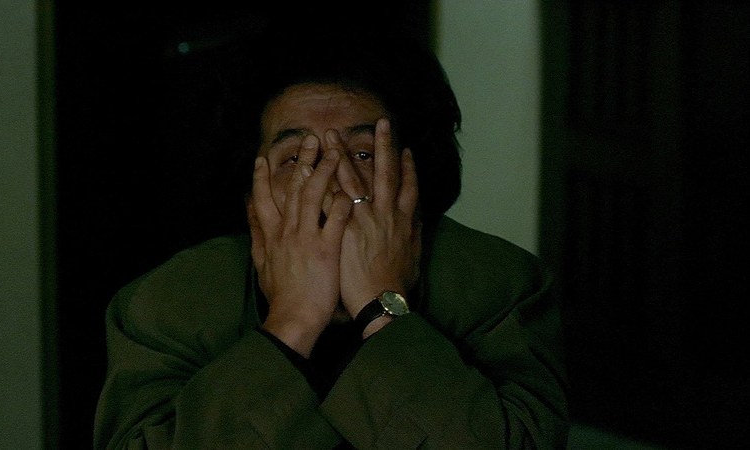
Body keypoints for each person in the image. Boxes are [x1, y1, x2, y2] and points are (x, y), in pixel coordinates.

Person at [94, 25, 569, 449]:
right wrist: (292, 321)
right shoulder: (167, 304)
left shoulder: (500, 285)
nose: (333, 187)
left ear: (409, 179)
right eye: (297, 160)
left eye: (363, 155)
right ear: (253, 197)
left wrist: (383, 308)